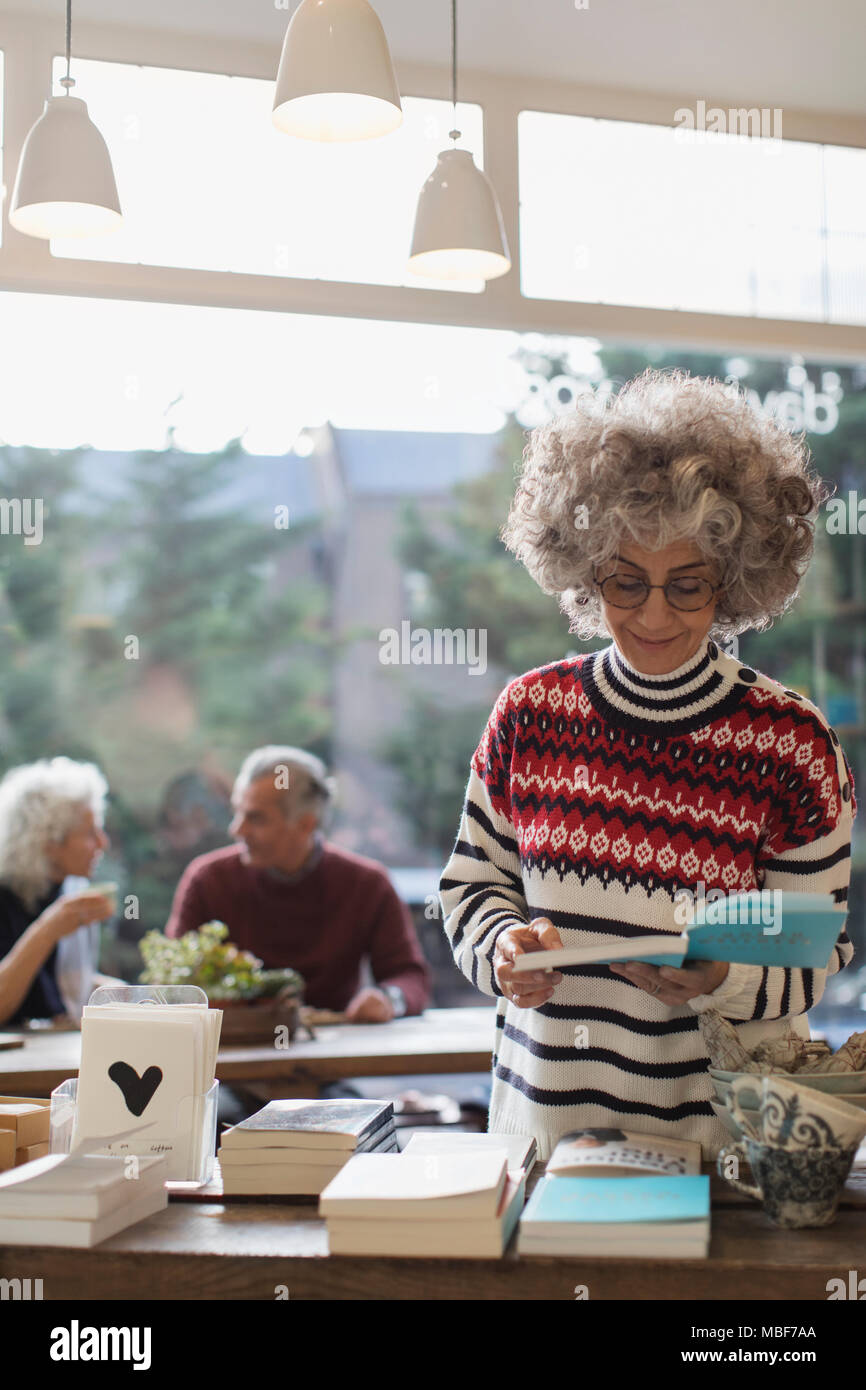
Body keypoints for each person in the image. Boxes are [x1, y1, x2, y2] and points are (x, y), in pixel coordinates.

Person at [439, 367, 857, 1160]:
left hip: (724, 1151)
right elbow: (470, 887)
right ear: (584, 571)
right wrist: (501, 948)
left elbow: (816, 953)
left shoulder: (792, 744)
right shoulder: (530, 715)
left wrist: (723, 980)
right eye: (626, 581)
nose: (654, 613)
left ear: (733, 582)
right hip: (545, 1140)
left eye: (687, 585)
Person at [166, 746, 431, 1021]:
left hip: (336, 1049)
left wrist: (389, 999)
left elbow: (409, 976)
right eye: (237, 812)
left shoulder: (368, 884)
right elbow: (174, 981)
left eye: (255, 818)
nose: (237, 829)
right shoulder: (207, 880)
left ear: (306, 824)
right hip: (235, 1048)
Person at [0, 758, 119, 1027]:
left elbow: (66, 984)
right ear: (49, 842)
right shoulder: (6, 897)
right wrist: (49, 928)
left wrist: (135, 997)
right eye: (90, 833)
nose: (103, 842)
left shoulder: (69, 888)